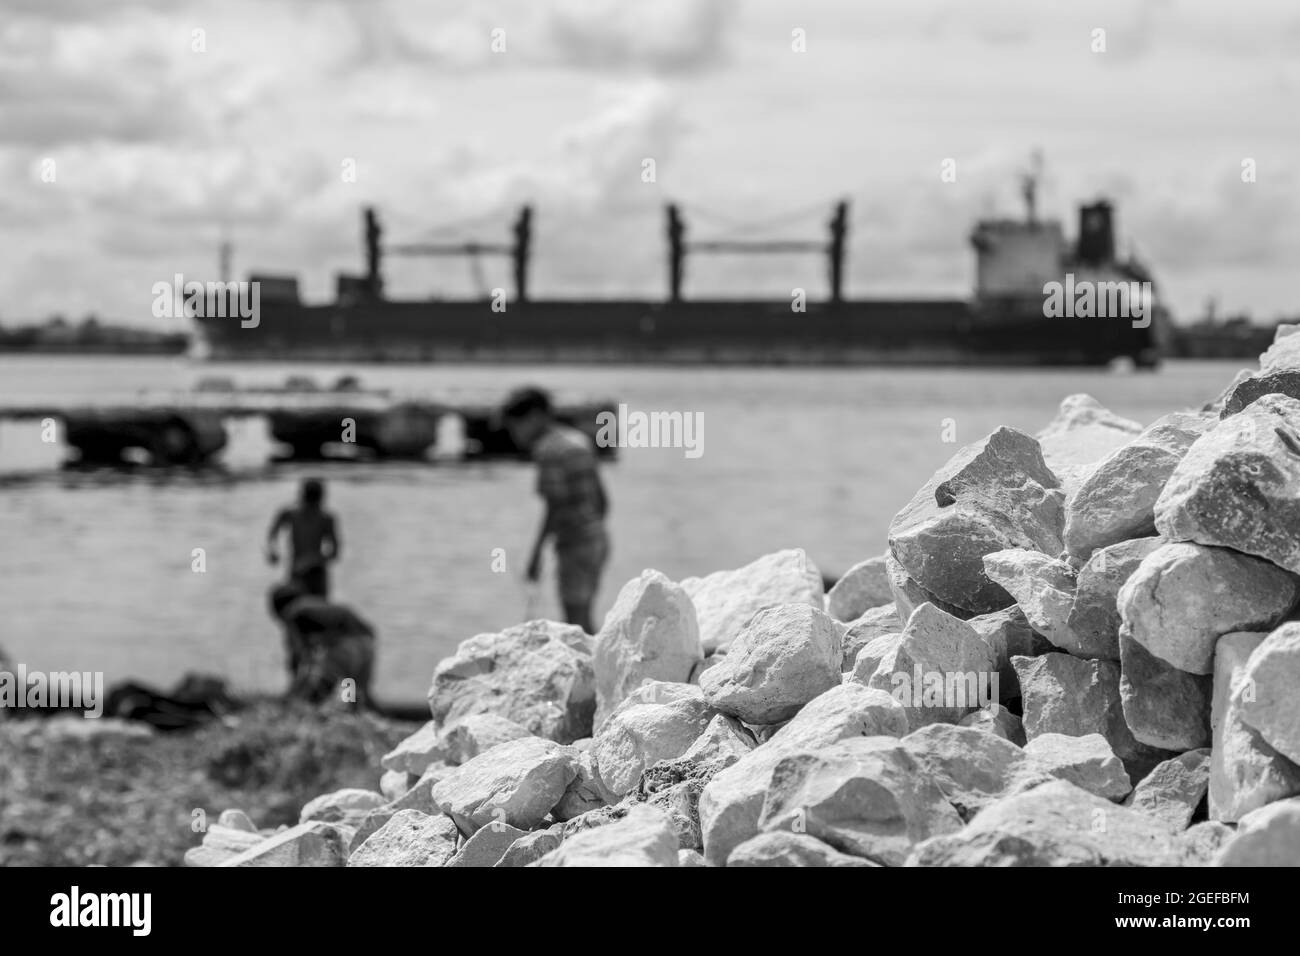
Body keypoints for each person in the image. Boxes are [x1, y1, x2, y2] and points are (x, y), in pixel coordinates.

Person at [502, 386, 610, 633]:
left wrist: (536, 554)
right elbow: (603, 500)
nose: (515, 433)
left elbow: (555, 506)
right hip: (597, 539)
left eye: (516, 425)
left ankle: (589, 668)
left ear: (535, 416)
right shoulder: (579, 441)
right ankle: (595, 663)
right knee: (585, 611)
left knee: (575, 619)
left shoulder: (548, 451)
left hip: (575, 543)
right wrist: (594, 531)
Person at [269, 582, 375, 707]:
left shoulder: (294, 612)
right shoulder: (316, 603)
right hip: (367, 643)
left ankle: (307, 707)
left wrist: (296, 686)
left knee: (325, 682)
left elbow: (302, 655)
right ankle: (354, 711)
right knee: (352, 684)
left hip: (345, 647)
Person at [265, 478, 339, 598]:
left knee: (318, 610)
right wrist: (272, 550)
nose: (311, 510)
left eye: (314, 507)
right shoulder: (290, 514)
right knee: (296, 610)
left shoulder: (326, 518)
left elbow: (335, 552)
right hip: (296, 573)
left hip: (317, 574)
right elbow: (272, 534)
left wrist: (312, 560)